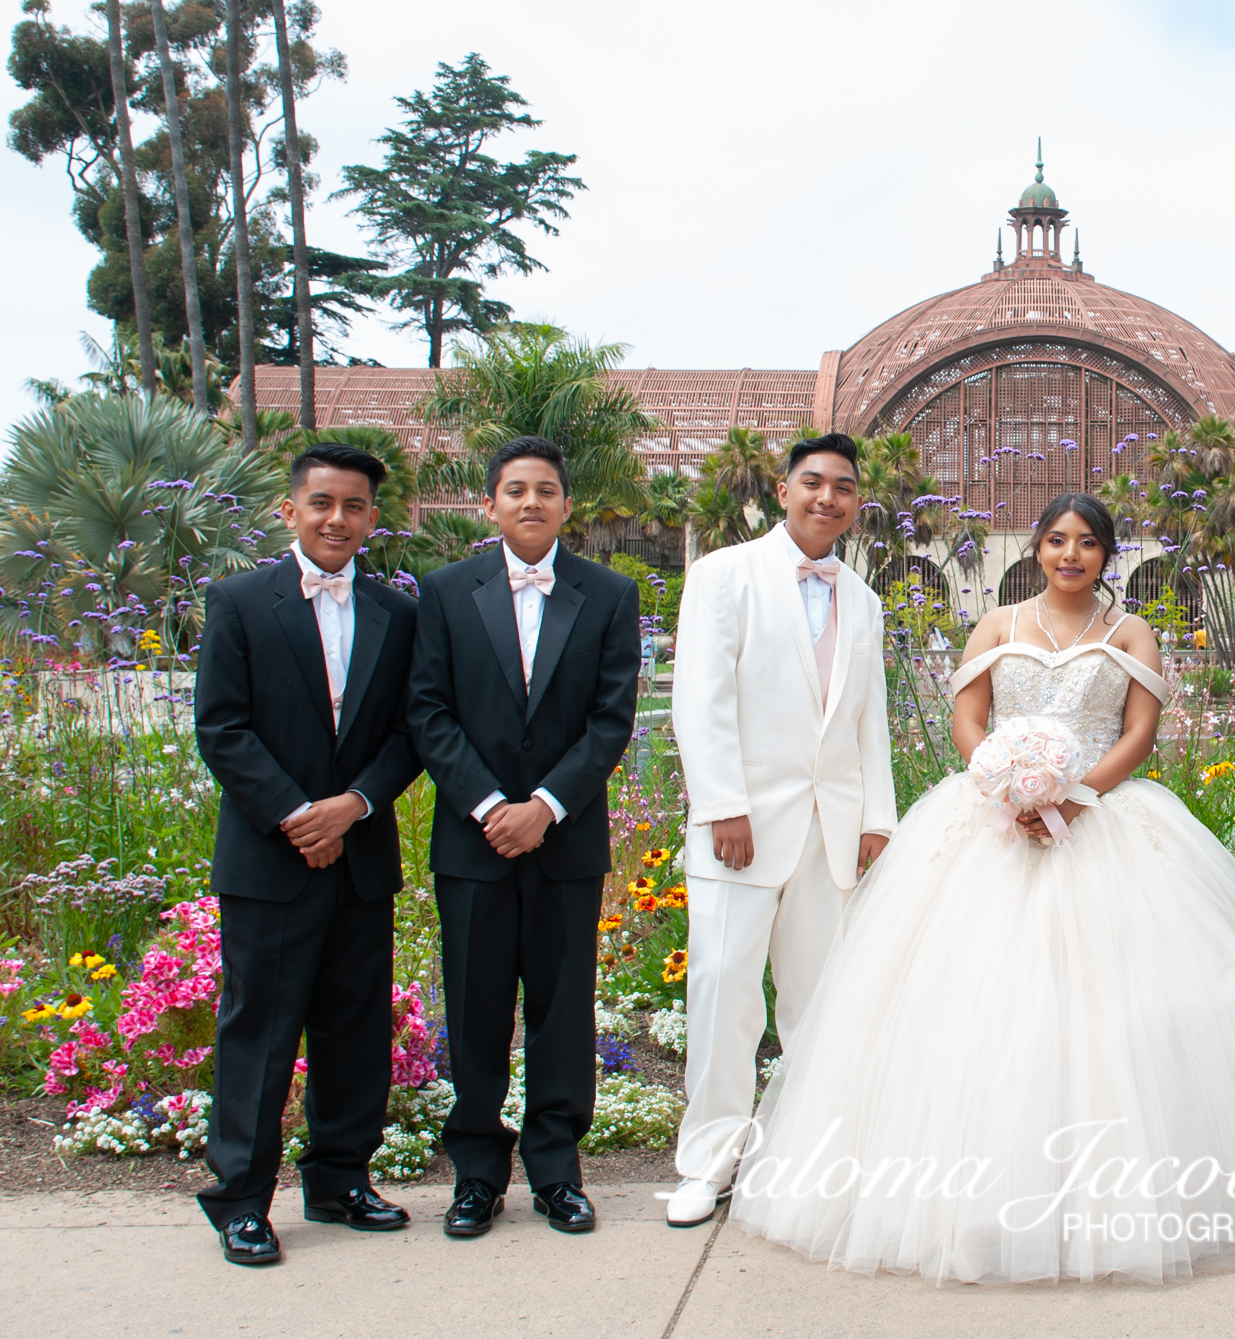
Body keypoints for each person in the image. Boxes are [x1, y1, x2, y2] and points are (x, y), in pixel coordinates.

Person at [729, 493, 1235, 1284]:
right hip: (991, 818)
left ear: (1107, 554)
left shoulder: (1130, 632)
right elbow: (969, 720)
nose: (1069, 554)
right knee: (963, 1010)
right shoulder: (998, 625)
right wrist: (1008, 786)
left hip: (1103, 816)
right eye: (1055, 540)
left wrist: (1073, 795)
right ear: (1037, 550)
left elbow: (1138, 733)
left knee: (1131, 1008)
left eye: (1086, 543)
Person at [193, 443, 424, 1265]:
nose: (338, 519)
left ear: (371, 517)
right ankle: (239, 1200)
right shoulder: (240, 601)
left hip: (360, 852)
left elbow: (411, 730)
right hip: (269, 856)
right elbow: (221, 727)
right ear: (290, 511)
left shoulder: (400, 613)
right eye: (322, 503)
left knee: (355, 1025)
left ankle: (338, 1178)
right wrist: (299, 814)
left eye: (354, 505)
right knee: (259, 1027)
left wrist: (353, 804)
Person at [407, 436, 641, 1237]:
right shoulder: (442, 592)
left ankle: (556, 1172)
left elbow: (611, 720)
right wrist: (488, 806)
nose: (531, 502)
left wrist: (544, 804)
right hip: (474, 845)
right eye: (515, 489)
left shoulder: (609, 594)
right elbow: (428, 712)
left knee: (563, 1010)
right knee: (474, 1009)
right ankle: (476, 1172)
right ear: (491, 504)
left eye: (547, 489)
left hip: (566, 840)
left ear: (567, 504)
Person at [663, 433, 898, 1229]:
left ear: (856, 501)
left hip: (832, 832)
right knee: (725, 991)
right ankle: (709, 1161)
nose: (826, 498)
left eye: (842, 487)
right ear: (783, 488)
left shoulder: (861, 598)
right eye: (812, 483)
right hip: (745, 827)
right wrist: (722, 803)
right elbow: (699, 698)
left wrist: (876, 818)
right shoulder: (723, 575)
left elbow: (870, 719)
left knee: (818, 1002)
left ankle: (808, 1159)